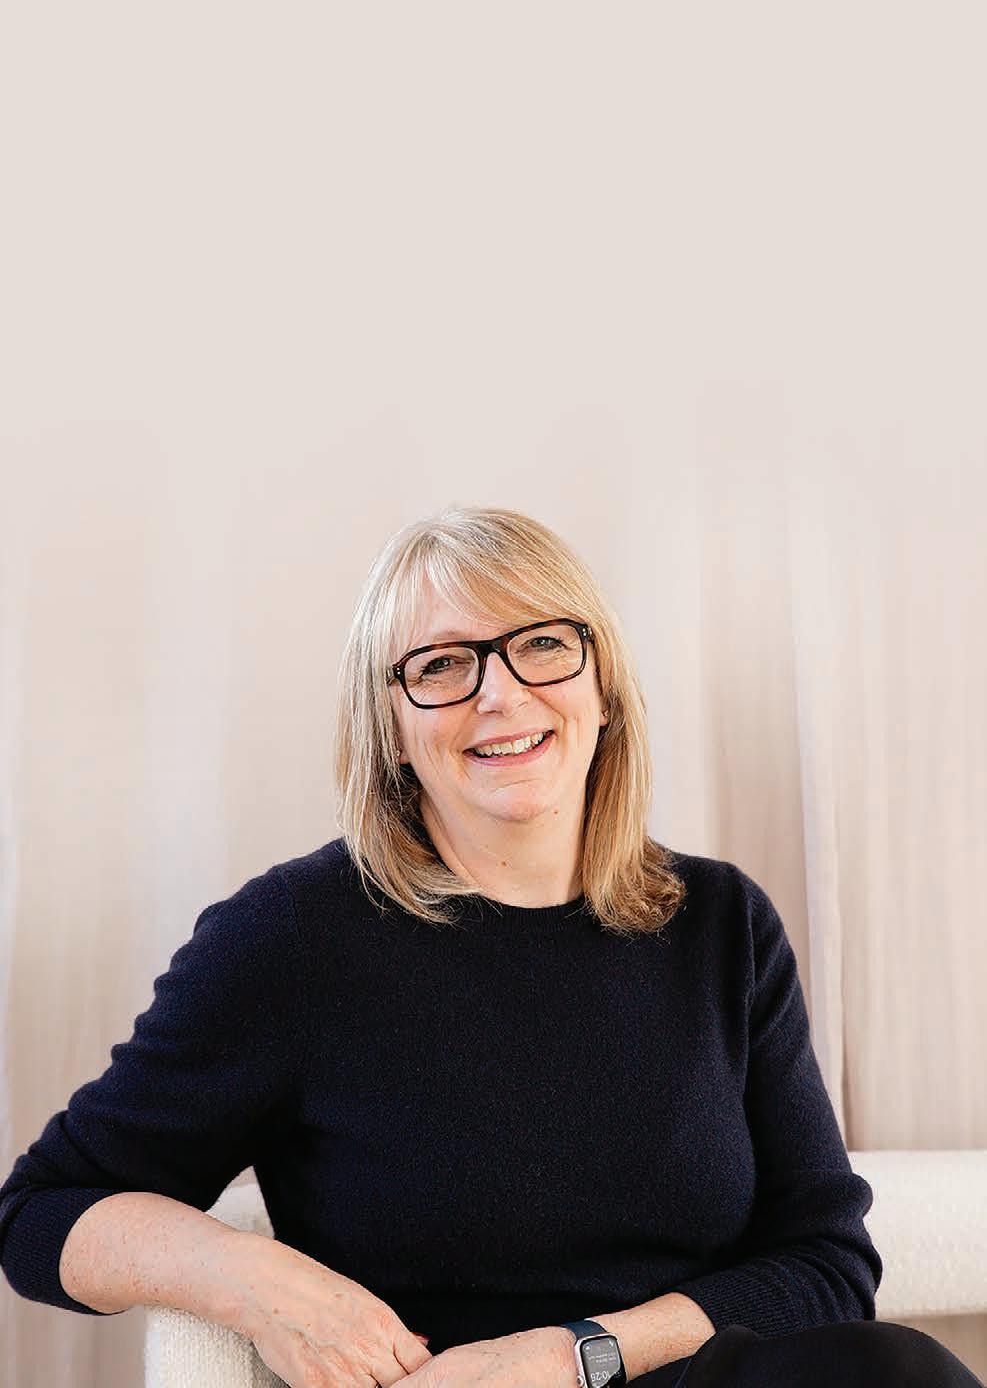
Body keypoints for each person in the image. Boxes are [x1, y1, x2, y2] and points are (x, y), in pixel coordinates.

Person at [0, 505, 982, 1388]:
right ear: (390, 728)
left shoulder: (720, 923)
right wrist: (251, 1277)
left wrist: (574, 1355)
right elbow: (41, 1212)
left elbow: (825, 1264)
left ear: (602, 689)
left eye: (541, 645)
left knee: (893, 1368)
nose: (500, 695)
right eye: (441, 665)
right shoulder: (292, 939)